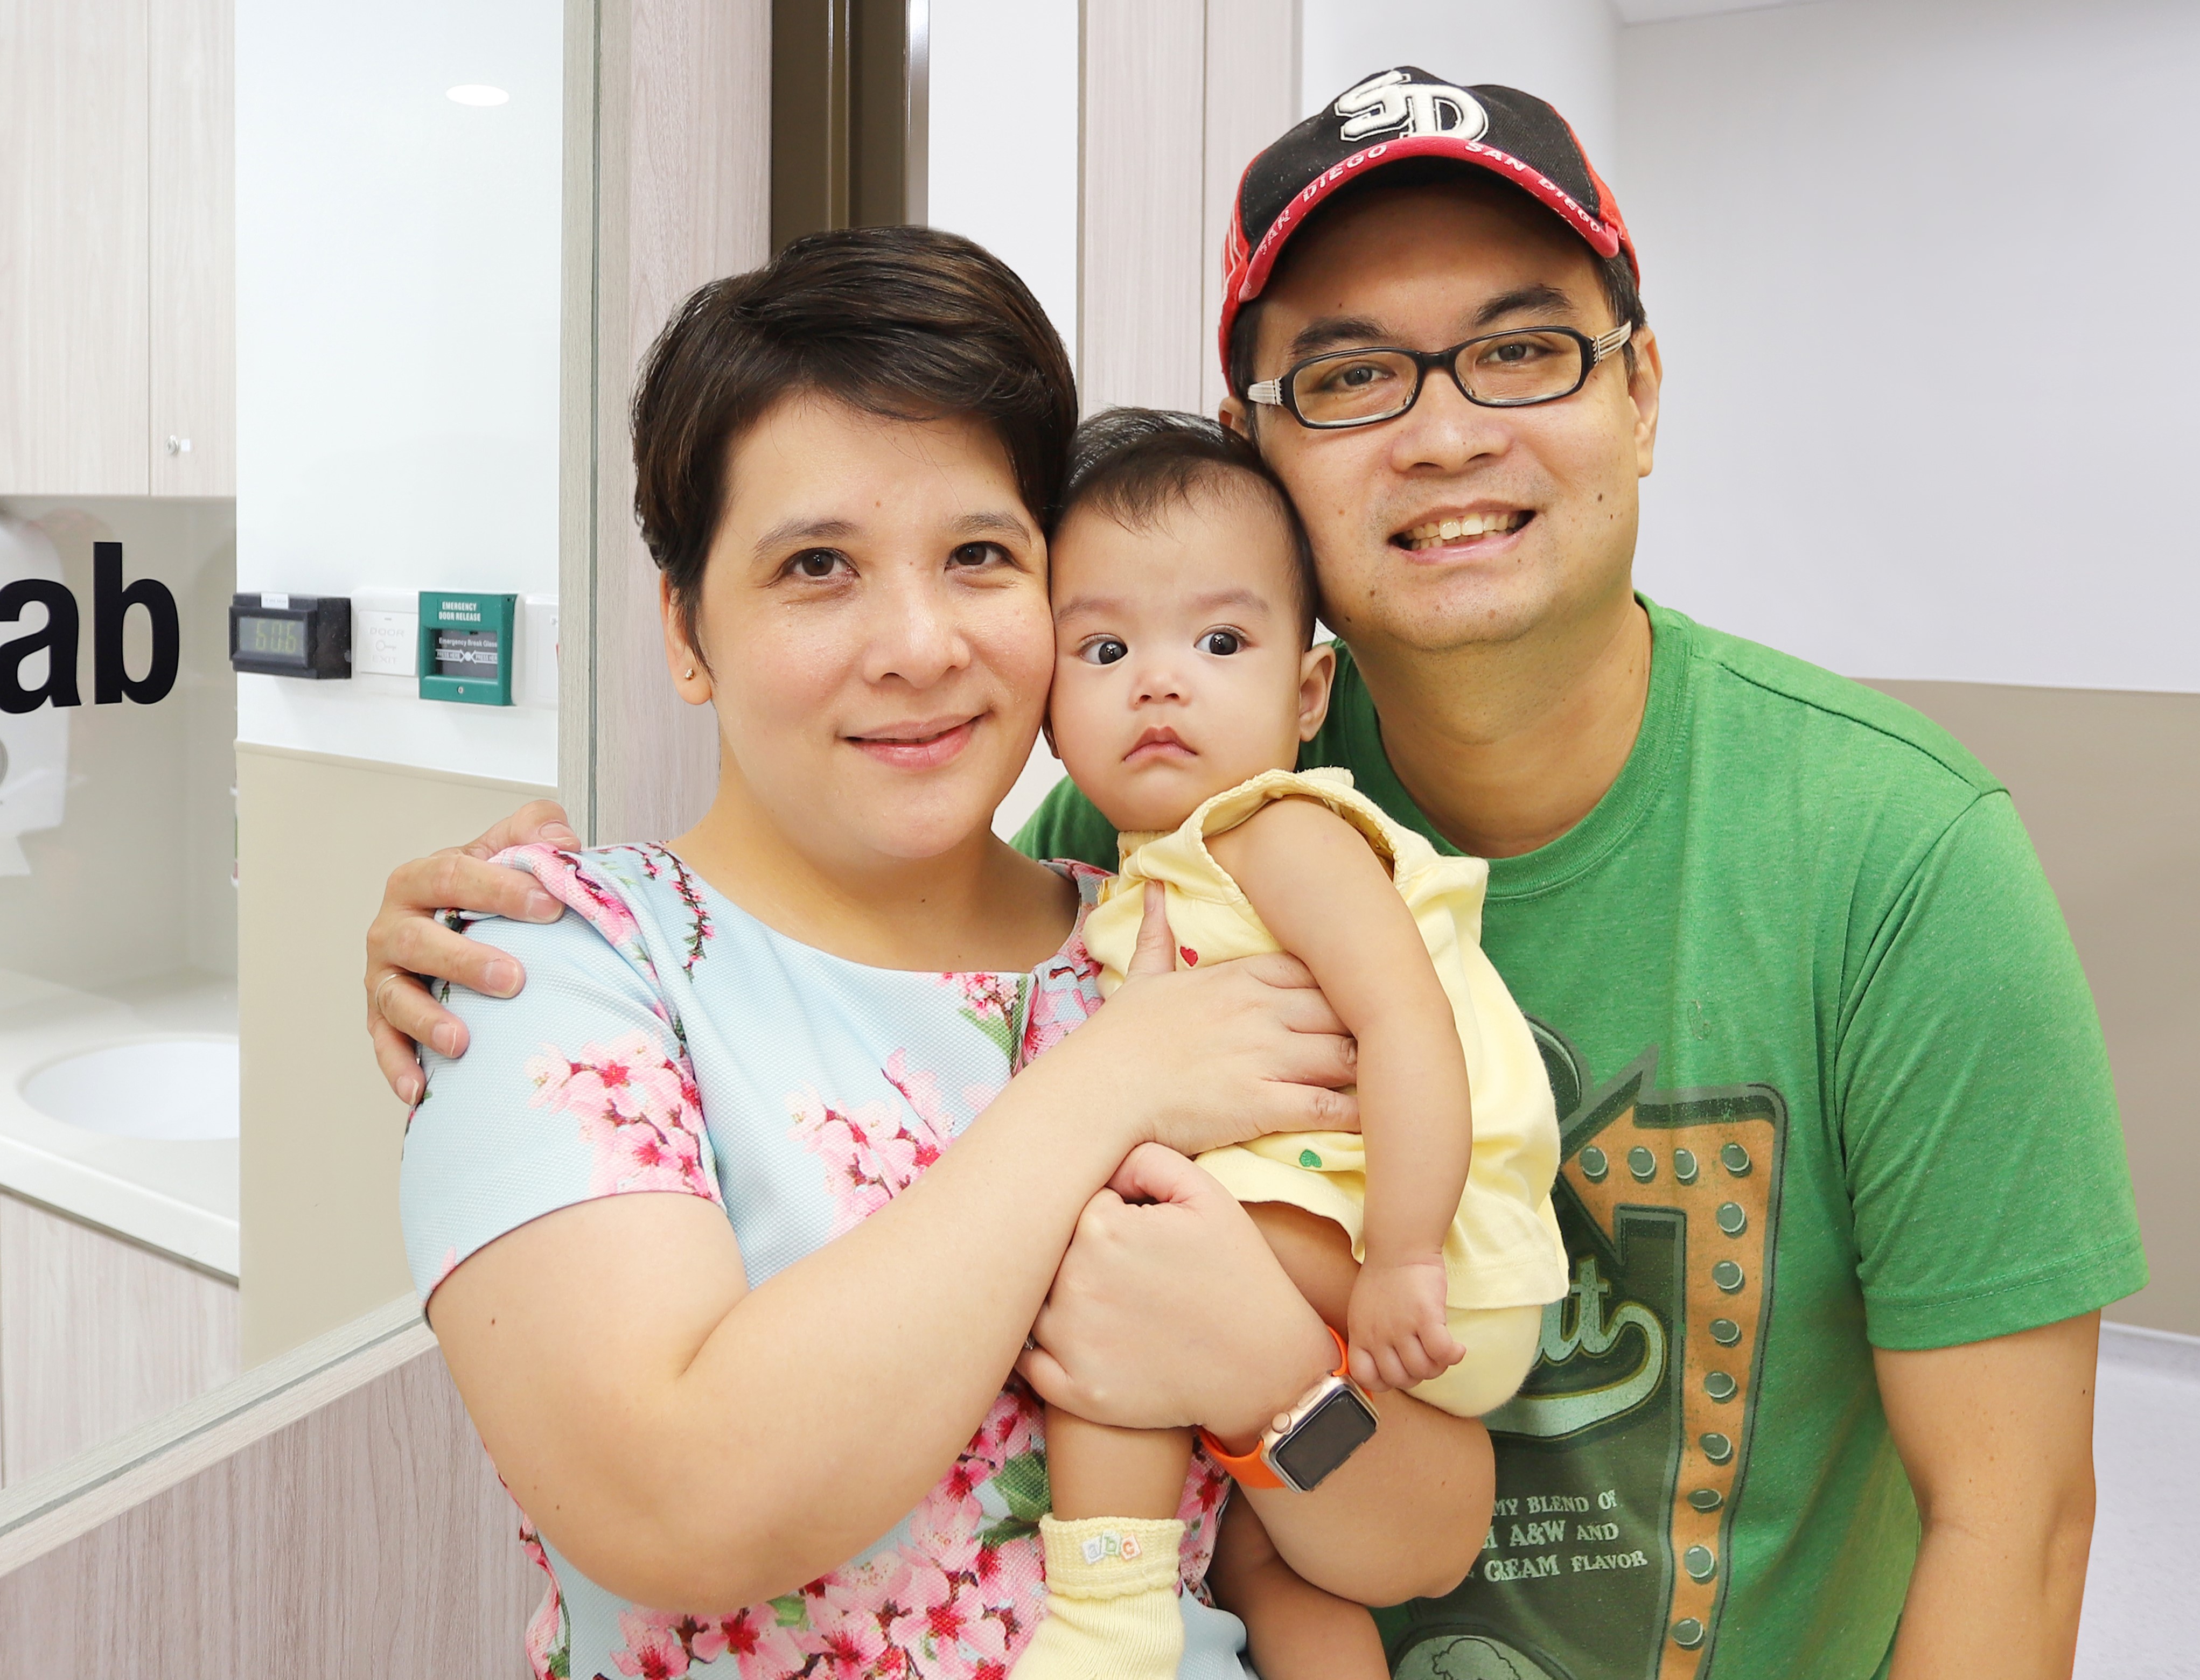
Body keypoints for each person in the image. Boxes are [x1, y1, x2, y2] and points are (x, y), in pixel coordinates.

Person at [370, 67, 2143, 1680]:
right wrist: (526, 931)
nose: (1446, 435)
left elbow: (2012, 1525)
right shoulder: (1138, 891)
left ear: (1642, 390)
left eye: (1523, 350)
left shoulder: (1895, 854)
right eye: (1354, 376)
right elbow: (675, 1484)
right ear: (1259, 449)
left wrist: (1275, 1376)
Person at [397, 226, 1489, 1680]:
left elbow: (1424, 1536)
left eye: (980, 556)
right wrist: (1103, 1087)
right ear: (687, 628)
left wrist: (1270, 1376)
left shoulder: (1173, 942)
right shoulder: (562, 964)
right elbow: (673, 1504)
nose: (918, 646)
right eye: (817, 567)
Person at [1017, 409, 1567, 1680]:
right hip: (1372, 1264)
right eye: (1105, 649)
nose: (1159, 682)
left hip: (1422, 1265)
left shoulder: (1273, 832)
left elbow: (1408, 1021)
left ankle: (1106, 1612)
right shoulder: (1135, 871)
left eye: (1219, 642)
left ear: (1308, 691)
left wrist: (1406, 1257)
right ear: (1047, 703)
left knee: (1109, 1249)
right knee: (1268, 1566)